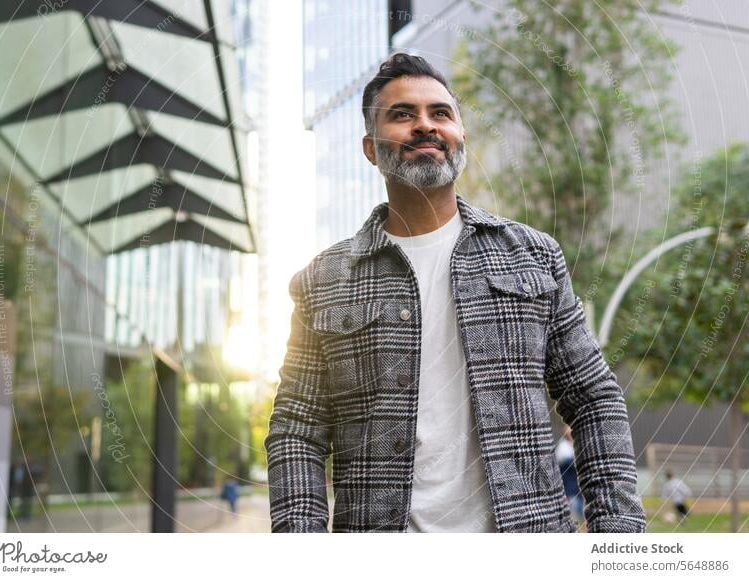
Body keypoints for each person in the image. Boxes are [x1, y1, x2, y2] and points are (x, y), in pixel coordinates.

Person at [264, 53, 645, 533]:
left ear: (461, 133)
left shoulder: (533, 256)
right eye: (402, 115)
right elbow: (297, 430)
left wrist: (620, 539)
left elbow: (593, 398)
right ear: (369, 147)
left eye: (440, 113)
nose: (425, 126)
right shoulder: (324, 280)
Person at [556, 424, 584, 524]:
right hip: (569, 488)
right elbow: (572, 463)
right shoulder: (562, 447)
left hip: (579, 487)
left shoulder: (575, 444)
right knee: (573, 515)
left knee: (583, 515)